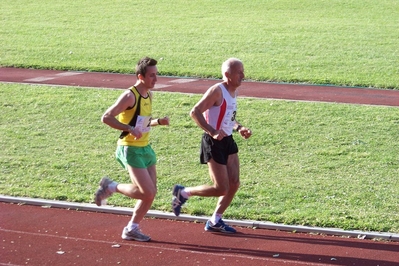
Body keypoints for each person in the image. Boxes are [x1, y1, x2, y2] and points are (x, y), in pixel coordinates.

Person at [172, 58, 252, 233]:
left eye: (243, 71)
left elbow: (228, 117)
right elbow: (195, 112)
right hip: (213, 143)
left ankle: (215, 220)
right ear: (227, 75)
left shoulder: (233, 91)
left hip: (228, 140)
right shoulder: (217, 91)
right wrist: (212, 131)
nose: (243, 76)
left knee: (235, 183)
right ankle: (183, 192)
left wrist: (239, 128)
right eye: (239, 72)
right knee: (221, 188)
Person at [94, 57, 169, 242]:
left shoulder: (149, 95)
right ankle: (110, 187)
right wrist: (128, 129)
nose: (156, 79)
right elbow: (106, 117)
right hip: (130, 148)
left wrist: (157, 122)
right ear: (140, 76)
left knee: (151, 193)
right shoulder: (130, 96)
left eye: (156, 75)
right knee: (147, 192)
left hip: (145, 147)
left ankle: (132, 228)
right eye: (152, 76)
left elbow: (140, 123)